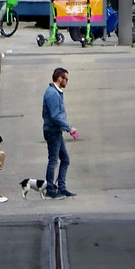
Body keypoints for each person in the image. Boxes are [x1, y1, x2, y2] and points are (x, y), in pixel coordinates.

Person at [41, 67, 79, 200]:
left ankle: (61, 187)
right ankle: (50, 189)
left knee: (65, 159)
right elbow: (55, 116)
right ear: (59, 78)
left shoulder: (56, 92)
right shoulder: (52, 94)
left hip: (56, 131)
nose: (67, 82)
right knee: (53, 161)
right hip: (52, 131)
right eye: (66, 79)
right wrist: (69, 128)